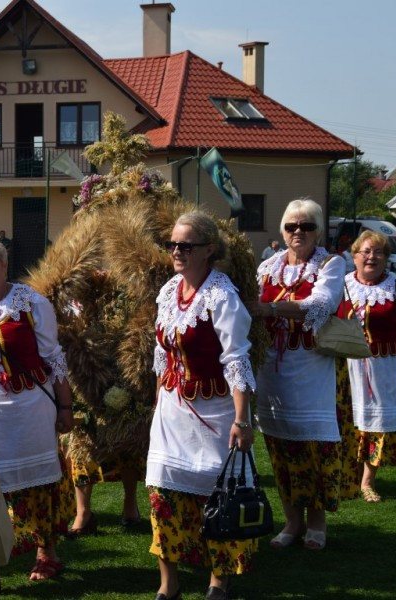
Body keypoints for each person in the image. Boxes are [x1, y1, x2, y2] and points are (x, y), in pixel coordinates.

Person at [0, 237, 74, 588]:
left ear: (5, 266)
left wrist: (65, 406)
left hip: (29, 406)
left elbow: (54, 358)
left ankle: (46, 551)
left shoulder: (32, 303)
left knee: (39, 483)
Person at [148, 211, 257, 600]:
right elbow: (162, 351)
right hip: (172, 410)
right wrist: (160, 397)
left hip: (216, 411)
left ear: (209, 250)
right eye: (173, 244)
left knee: (219, 495)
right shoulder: (168, 291)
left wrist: (242, 420)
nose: (177, 251)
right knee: (163, 491)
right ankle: (168, 583)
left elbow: (237, 358)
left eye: (186, 246)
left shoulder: (221, 295)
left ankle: (218, 579)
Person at [253, 198, 345, 551]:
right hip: (271, 370)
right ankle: (291, 521)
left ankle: (316, 523)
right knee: (280, 447)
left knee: (313, 448)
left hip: (310, 369)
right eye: (291, 226)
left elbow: (321, 304)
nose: (298, 232)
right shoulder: (267, 267)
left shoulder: (331, 264)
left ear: (318, 231)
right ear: (282, 230)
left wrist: (271, 307)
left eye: (306, 226)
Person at [343, 231, 396, 502]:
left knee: (376, 423)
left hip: (385, 369)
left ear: (386, 258)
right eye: (366, 251)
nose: (371, 257)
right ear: (354, 256)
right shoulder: (341, 285)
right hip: (347, 368)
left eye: (378, 252)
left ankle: (368, 480)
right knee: (347, 420)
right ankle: (348, 474)